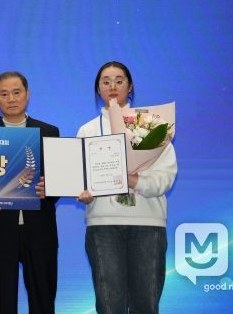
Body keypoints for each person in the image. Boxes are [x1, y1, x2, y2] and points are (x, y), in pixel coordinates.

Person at [77, 61, 177, 314]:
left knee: (145, 303)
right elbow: (79, 177)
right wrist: (83, 193)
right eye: (106, 81)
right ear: (98, 89)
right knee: (109, 304)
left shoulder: (153, 125)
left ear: (130, 86)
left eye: (119, 81)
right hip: (103, 224)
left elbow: (166, 177)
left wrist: (134, 181)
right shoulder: (87, 130)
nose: (113, 86)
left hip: (148, 223)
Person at [0, 71, 60, 314]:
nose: (11, 99)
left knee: (43, 302)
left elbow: (60, 182)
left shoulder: (49, 131)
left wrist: (50, 189)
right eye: (4, 94)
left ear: (27, 94)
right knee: (0, 304)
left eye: (16, 92)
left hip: (40, 231)